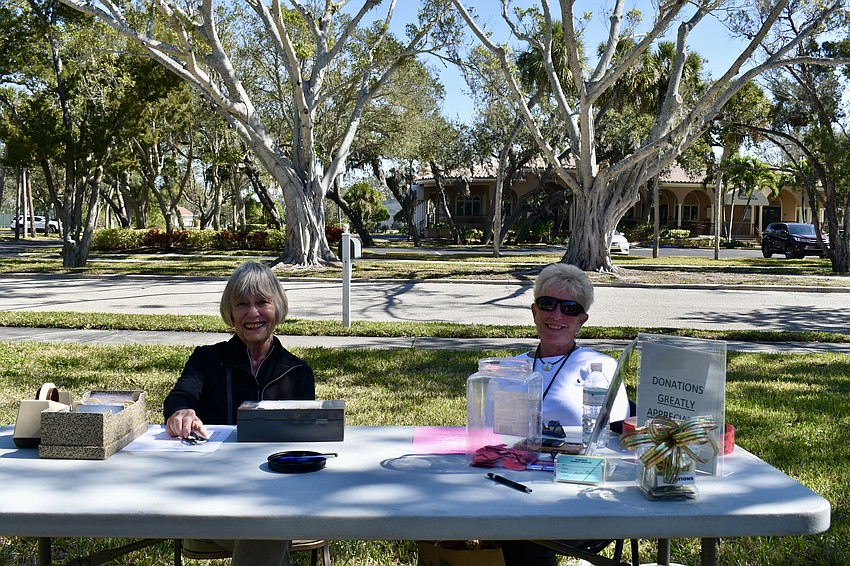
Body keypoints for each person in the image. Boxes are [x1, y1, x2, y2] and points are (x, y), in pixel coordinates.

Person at [163, 261, 315, 566]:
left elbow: (304, 447)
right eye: (242, 304)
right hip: (210, 498)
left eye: (262, 302)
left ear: (278, 308)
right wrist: (182, 412)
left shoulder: (298, 372)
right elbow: (181, 395)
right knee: (270, 532)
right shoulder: (206, 360)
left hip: (276, 495)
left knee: (269, 526)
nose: (253, 313)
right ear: (230, 313)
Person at [499, 262, 631, 566]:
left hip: (577, 492)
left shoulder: (601, 368)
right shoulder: (510, 368)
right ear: (534, 311)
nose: (557, 316)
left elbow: (616, 445)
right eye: (548, 304)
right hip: (514, 486)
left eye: (570, 309)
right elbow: (493, 438)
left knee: (521, 533)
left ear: (582, 320)